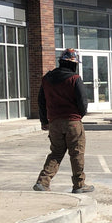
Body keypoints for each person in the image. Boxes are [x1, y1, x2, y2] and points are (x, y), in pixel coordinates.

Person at [33, 48, 95, 193]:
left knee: (56, 153)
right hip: (73, 121)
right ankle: (79, 185)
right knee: (76, 153)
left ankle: (43, 182)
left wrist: (44, 121)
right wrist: (79, 116)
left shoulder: (47, 79)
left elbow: (41, 101)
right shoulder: (74, 79)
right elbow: (83, 102)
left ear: (61, 62)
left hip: (54, 122)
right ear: (74, 64)